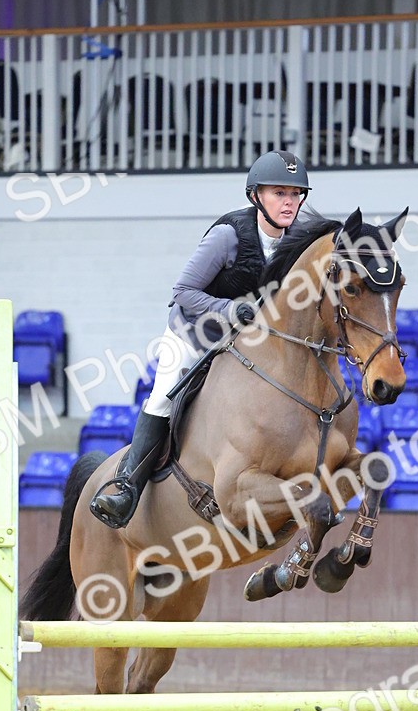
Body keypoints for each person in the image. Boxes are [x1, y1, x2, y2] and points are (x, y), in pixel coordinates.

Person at [90, 149, 312, 529]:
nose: (289, 203)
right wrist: (228, 311)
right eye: (279, 193)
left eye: (295, 194)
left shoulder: (302, 236)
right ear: (255, 196)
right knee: (163, 394)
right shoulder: (227, 237)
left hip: (249, 343)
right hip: (196, 332)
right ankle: (125, 488)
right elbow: (183, 291)